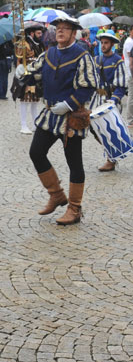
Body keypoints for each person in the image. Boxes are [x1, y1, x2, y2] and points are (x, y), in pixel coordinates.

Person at [15, 14, 99, 225]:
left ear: (73, 33)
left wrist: (70, 104)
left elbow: (89, 85)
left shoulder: (82, 55)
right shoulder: (49, 53)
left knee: (75, 163)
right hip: (50, 115)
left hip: (71, 117)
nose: (60, 31)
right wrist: (22, 72)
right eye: (58, 28)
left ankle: (75, 209)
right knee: (36, 152)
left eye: (65, 28)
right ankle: (56, 194)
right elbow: (35, 73)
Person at [93, 31, 127, 172]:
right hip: (97, 99)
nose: (103, 45)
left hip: (111, 100)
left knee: (109, 129)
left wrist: (113, 100)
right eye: (102, 43)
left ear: (112, 45)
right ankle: (111, 153)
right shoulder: (96, 59)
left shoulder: (118, 61)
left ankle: (111, 159)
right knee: (95, 129)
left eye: (106, 43)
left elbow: (122, 85)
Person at [11, 23, 45, 133]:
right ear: (32, 33)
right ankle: (23, 125)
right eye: (38, 33)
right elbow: (19, 58)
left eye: (41, 33)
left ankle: (35, 124)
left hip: (36, 75)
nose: (40, 35)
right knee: (25, 101)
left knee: (35, 101)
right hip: (26, 75)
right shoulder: (25, 43)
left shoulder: (40, 44)